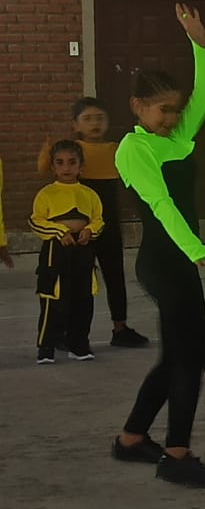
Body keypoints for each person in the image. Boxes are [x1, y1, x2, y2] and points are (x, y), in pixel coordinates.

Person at [112, 3, 205, 488]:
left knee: (188, 354)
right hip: (163, 260)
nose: (173, 118)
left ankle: (132, 438)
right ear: (138, 106)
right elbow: (160, 205)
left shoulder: (177, 137)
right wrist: (195, 247)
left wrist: (200, 44)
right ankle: (176, 454)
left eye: (176, 110)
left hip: (179, 261)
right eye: (163, 110)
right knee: (189, 356)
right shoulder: (134, 149)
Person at [37, 98, 148, 346]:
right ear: (75, 125)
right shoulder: (72, 152)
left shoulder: (116, 149)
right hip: (77, 228)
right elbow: (44, 170)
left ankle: (120, 328)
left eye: (99, 118)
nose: (94, 123)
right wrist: (46, 150)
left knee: (115, 275)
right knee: (73, 280)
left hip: (108, 223)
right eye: (87, 119)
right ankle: (67, 333)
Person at [32, 140, 104, 363]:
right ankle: (46, 347)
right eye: (60, 163)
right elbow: (36, 221)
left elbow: (98, 220)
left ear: (81, 166)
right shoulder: (46, 194)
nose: (66, 168)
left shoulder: (89, 194)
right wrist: (59, 231)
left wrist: (89, 231)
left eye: (72, 162)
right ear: (53, 167)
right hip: (56, 251)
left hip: (82, 249)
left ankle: (79, 345)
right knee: (53, 298)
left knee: (83, 298)